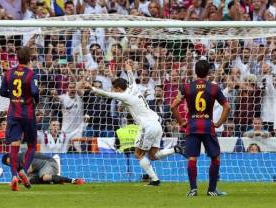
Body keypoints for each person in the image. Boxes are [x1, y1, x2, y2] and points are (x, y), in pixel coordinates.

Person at [84, 61, 184, 186]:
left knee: (138, 154)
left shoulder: (125, 96)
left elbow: (107, 94)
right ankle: (175, 149)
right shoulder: (133, 87)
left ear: (119, 89)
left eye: (115, 89)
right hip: (157, 123)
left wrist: (91, 88)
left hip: (147, 126)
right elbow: (131, 78)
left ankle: (155, 180)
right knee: (153, 155)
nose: (114, 90)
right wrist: (129, 69)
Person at [171, 60, 230, 197]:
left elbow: (173, 106)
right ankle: (211, 190)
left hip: (192, 126)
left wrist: (181, 122)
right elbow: (227, 107)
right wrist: (220, 122)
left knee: (192, 158)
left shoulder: (186, 87)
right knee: (215, 158)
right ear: (209, 72)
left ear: (195, 72)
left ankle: (193, 189)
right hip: (208, 126)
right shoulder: (214, 88)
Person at [0, 46, 39, 191]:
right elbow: (34, 91)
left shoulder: (9, 73)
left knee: (14, 145)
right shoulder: (31, 74)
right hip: (28, 115)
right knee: (32, 145)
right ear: (29, 59)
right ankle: (24, 171)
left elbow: (2, 91)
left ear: (17, 58)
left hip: (13, 114)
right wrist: (35, 100)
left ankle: (13, 176)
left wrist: (14, 97)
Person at [1, 153, 85, 185]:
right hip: (40, 170)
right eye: (9, 163)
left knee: (43, 177)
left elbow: (29, 169)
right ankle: (55, 181)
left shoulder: (23, 157)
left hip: (50, 163)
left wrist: (19, 179)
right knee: (29, 181)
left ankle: (73, 181)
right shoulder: (18, 167)